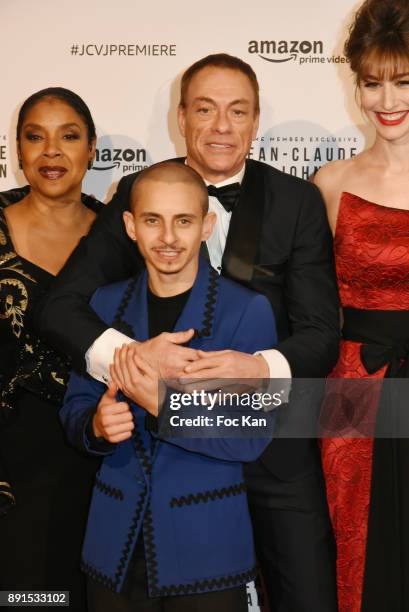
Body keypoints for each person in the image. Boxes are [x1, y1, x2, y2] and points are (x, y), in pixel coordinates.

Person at [37, 54, 340, 611]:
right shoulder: (138, 192)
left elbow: (322, 334)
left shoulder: (297, 200)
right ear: (181, 117)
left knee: (309, 597)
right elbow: (63, 307)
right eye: (205, 109)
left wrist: (259, 367)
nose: (222, 126)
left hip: (270, 447)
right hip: (164, 465)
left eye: (238, 111)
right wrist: (131, 360)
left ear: (255, 122)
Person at [61, 161, 277, 611]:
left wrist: (161, 402)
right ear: (130, 226)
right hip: (113, 551)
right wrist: (96, 426)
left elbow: (251, 435)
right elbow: (76, 406)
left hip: (207, 554)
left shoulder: (247, 311)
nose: (168, 238)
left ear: (207, 225)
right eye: (152, 220)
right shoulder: (103, 304)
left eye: (183, 221)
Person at [314, 1, 409, 610]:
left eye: (403, 81)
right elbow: (316, 311)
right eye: (372, 83)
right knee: (355, 562)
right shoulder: (331, 182)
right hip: (354, 387)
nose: (386, 99)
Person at [0, 87, 101, 611]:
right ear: (17, 151)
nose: (52, 152)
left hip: (98, 451)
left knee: (85, 590)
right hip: (11, 463)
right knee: (26, 597)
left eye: (69, 136)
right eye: (35, 137)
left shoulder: (121, 235)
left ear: (92, 149)